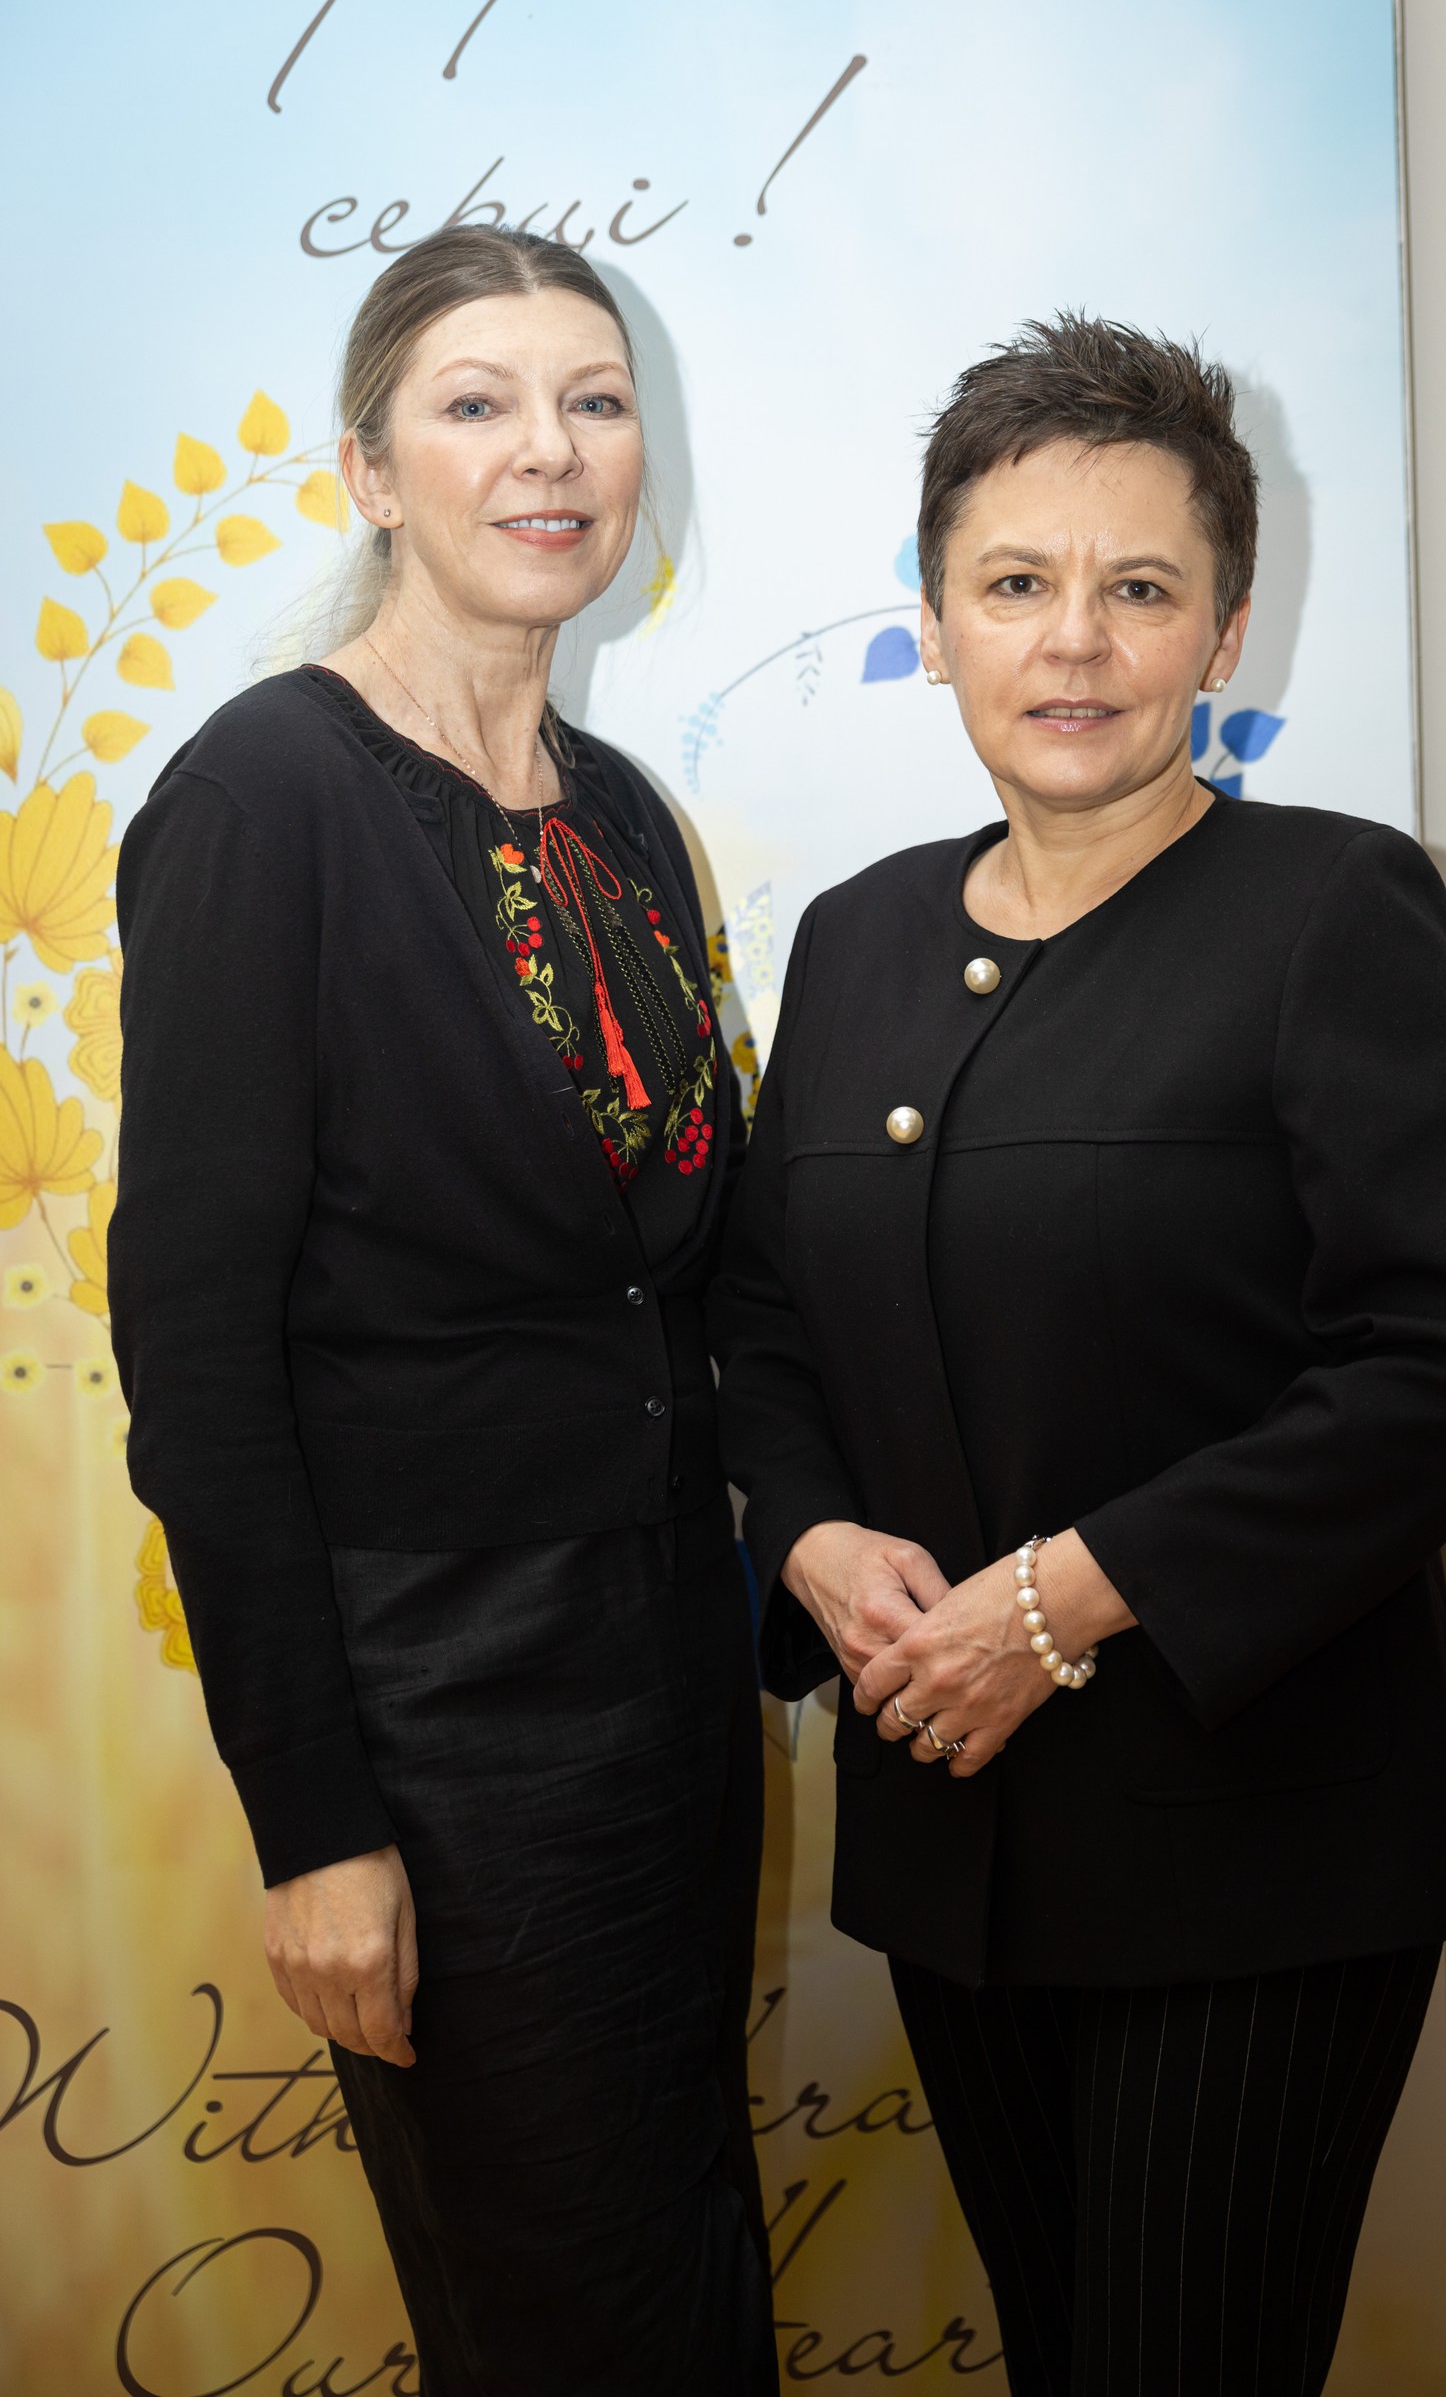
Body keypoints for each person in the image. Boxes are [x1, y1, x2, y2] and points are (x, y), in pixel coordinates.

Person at [711, 316, 1446, 2396]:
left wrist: (1061, 1603)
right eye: (1014, 582)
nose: (1072, 641)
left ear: (1223, 632)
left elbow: (1443, 1359)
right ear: (933, 624)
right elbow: (764, 1310)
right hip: (952, 1829)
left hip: (1257, 1842)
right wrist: (808, 1534)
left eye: (1139, 587)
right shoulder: (856, 935)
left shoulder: (1336, 905)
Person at [110, 226, 775, 2397]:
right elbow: (198, 1362)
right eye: (477, 404)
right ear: (371, 474)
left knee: (687, 2264)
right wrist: (317, 1822)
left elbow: (688, 1275)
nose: (548, 452)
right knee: (567, 2319)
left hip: (672, 1679)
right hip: (444, 1719)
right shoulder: (263, 800)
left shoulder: (626, 820)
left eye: (594, 400)